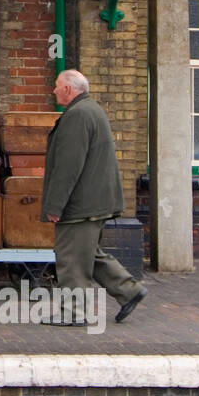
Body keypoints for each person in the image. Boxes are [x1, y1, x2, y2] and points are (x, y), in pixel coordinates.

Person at [42, 70, 148, 324]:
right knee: (88, 253)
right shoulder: (91, 109)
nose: (54, 91)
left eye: (57, 87)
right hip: (95, 200)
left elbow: (69, 166)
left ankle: (74, 313)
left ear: (68, 89)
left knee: (72, 259)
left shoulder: (77, 115)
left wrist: (56, 205)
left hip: (80, 203)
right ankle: (129, 291)